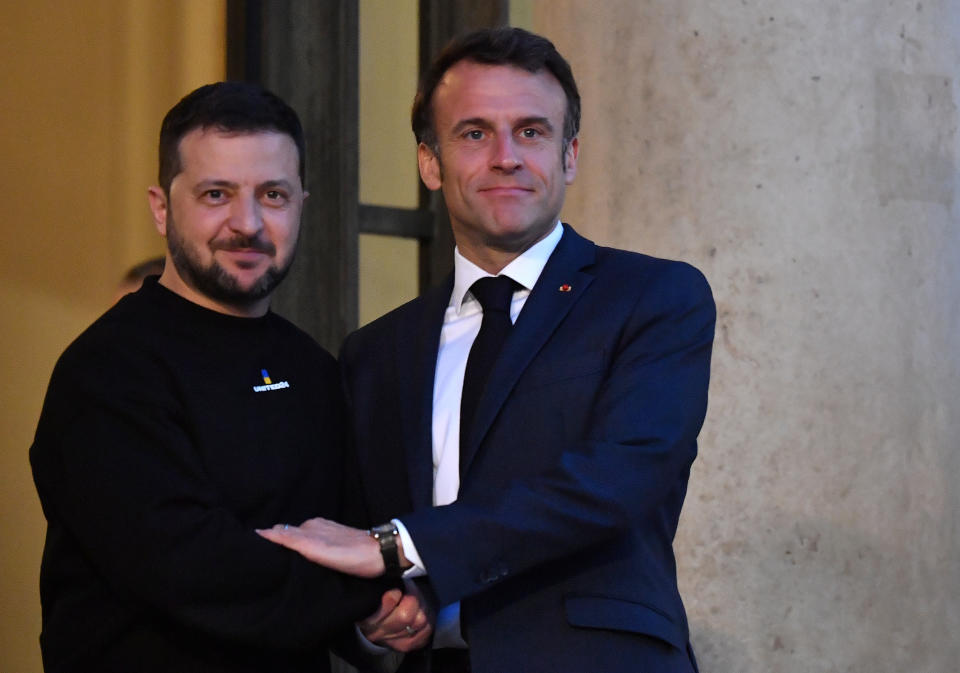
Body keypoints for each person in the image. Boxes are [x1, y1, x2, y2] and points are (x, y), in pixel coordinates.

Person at [260, 27, 715, 673]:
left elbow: (619, 477)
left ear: (570, 154)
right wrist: (379, 611)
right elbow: (362, 537)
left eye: (531, 131)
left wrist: (400, 545)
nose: (506, 156)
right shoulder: (376, 351)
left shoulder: (651, 297)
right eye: (474, 133)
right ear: (428, 161)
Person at [30, 81, 429, 673]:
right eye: (216, 194)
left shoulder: (315, 370)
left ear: (302, 206)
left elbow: (348, 538)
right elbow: (188, 565)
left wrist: (388, 612)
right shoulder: (108, 370)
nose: (247, 223)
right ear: (161, 207)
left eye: (273, 195)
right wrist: (370, 586)